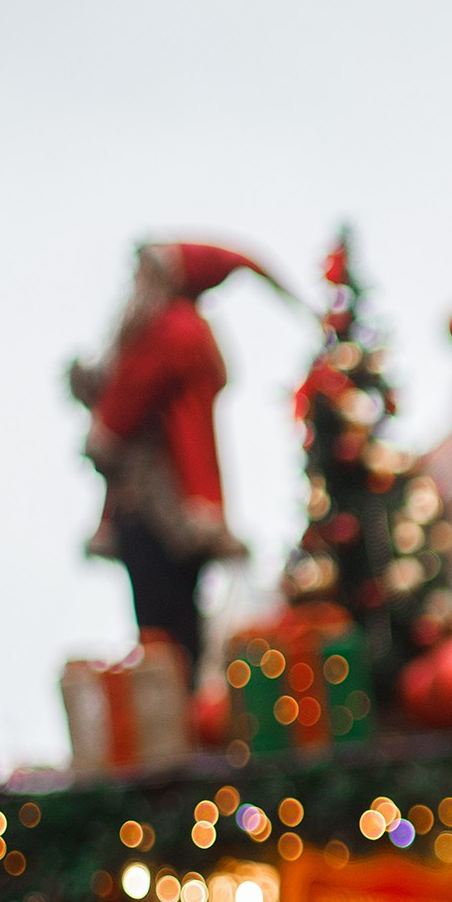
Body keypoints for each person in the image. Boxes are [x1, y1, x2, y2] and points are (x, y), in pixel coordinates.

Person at [68, 238, 290, 682]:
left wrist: (103, 426)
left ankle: (177, 714)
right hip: (188, 504)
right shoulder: (186, 329)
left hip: (158, 504)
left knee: (162, 629)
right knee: (179, 619)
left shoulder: (168, 329)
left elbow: (125, 405)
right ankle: (185, 703)